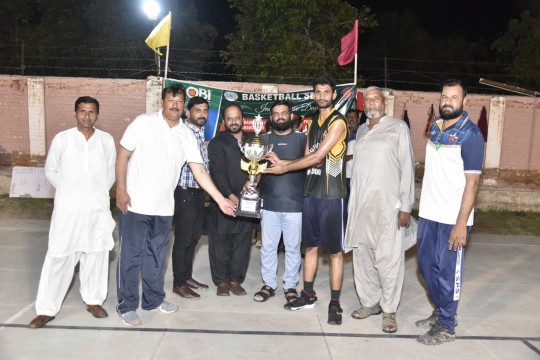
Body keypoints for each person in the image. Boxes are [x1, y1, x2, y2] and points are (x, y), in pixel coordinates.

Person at [115, 84, 235, 326]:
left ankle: (153, 299)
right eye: (171, 100)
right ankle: (127, 305)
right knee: (131, 258)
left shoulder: (186, 134)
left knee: (157, 258)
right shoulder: (143, 122)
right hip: (136, 205)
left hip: (164, 208)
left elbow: (199, 170)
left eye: (180, 102)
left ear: (183, 107)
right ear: (162, 101)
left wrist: (220, 199)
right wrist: (120, 189)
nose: (175, 105)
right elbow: (122, 155)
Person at [265, 75, 348, 325]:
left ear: (333, 95)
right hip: (311, 192)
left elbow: (318, 156)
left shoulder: (338, 122)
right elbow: (305, 157)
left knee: (334, 252)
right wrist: (283, 163)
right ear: (314, 95)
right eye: (318, 92)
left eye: (327, 92)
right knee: (310, 247)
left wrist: (283, 169)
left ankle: (335, 302)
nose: (322, 96)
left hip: (332, 194)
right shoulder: (312, 123)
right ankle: (307, 294)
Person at [29, 96, 116, 328]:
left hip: (96, 209)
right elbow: (51, 171)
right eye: (82, 111)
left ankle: (94, 300)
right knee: (59, 256)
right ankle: (46, 309)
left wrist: (94, 194)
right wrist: (71, 192)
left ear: (98, 115)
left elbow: (110, 173)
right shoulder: (62, 139)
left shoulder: (106, 140)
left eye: (91, 112)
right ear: (75, 113)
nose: (87, 116)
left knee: (96, 254)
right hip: (68, 210)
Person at [416, 79, 484, 345]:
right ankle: (440, 311)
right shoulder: (435, 127)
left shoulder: (472, 136)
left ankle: (447, 326)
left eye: (454, 98)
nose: (448, 101)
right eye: (444, 97)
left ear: (464, 101)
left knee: (448, 273)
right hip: (429, 213)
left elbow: (473, 183)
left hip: (453, 218)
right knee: (424, 266)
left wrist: (461, 224)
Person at [344, 86, 415, 333]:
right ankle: (370, 302)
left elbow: (407, 167)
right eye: (368, 100)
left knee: (389, 259)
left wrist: (405, 206)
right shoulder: (361, 130)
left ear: (384, 103)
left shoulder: (398, 128)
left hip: (388, 207)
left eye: (376, 99)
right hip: (362, 206)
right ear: (364, 105)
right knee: (362, 256)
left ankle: (389, 310)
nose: (372, 103)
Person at [252, 100, 306, 306]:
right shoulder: (262, 139)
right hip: (269, 203)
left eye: (284, 113)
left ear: (291, 116)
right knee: (268, 248)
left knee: (293, 248)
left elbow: (311, 162)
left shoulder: (303, 139)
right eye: (276, 114)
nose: (280, 117)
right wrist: (252, 182)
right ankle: (269, 285)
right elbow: (254, 170)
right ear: (271, 118)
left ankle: (290, 285)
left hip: (295, 205)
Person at [207, 102, 255, 297]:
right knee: (220, 241)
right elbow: (217, 172)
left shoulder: (253, 141)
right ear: (224, 121)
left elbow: (260, 166)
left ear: (243, 119)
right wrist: (230, 195)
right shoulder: (218, 142)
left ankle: (236, 280)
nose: (234, 122)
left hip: (247, 200)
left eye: (237, 118)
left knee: (243, 242)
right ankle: (221, 281)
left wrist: (254, 183)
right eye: (229, 118)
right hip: (223, 201)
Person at [171, 96, 211, 300]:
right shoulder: (183, 133)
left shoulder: (200, 132)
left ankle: (186, 277)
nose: (202, 114)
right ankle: (178, 283)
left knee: (194, 238)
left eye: (205, 111)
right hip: (184, 192)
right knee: (183, 239)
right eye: (197, 110)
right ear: (188, 112)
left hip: (197, 194)